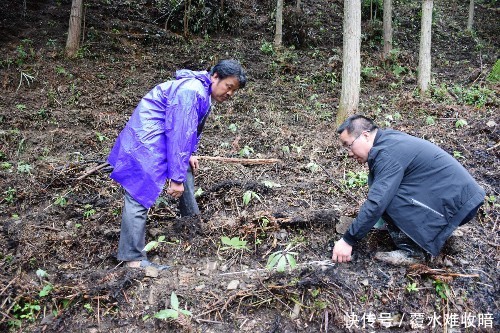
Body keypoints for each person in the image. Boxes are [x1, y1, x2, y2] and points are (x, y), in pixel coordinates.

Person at [108, 59, 247, 269]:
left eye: (233, 91)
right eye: (229, 87)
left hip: (159, 136)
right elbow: (178, 133)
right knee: (138, 194)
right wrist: (176, 179)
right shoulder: (192, 91)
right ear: (215, 76)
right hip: (147, 140)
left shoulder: (202, 92)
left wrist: (189, 154)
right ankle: (132, 258)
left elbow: (189, 129)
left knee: (186, 166)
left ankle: (191, 221)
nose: (230, 94)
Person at [332, 115, 485, 265]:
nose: (349, 153)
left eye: (349, 145)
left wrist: (348, 240)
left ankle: (412, 252)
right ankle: (436, 229)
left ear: (365, 136)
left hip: (459, 204)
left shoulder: (387, 153)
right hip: (458, 200)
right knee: (385, 189)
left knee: (386, 198)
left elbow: (377, 201)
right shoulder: (388, 141)